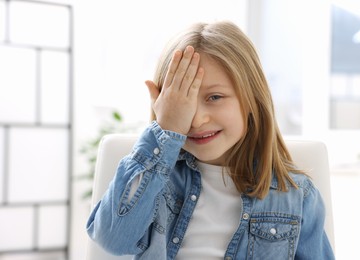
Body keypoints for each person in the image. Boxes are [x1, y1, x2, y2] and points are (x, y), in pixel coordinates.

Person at [86, 20, 335, 259]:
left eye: (214, 97)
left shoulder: (297, 196)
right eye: (182, 103)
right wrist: (167, 128)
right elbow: (113, 238)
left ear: (251, 99)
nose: (196, 120)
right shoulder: (154, 185)